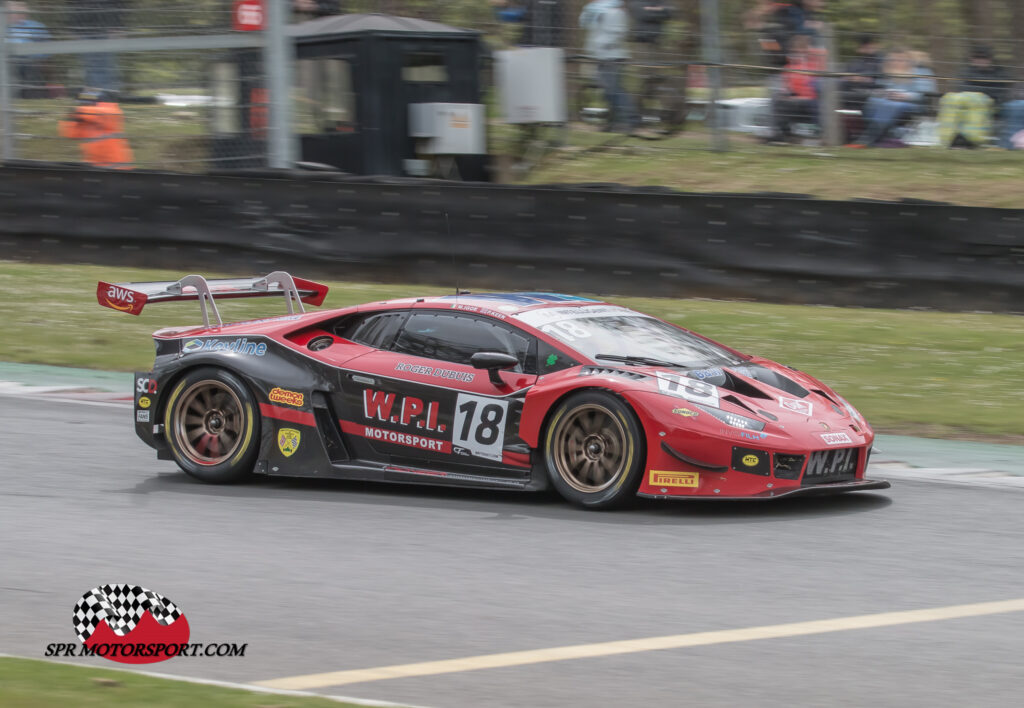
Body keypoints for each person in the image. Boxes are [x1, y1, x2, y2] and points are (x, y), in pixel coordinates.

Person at [850, 49, 935, 147]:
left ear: (909, 61)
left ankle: (868, 139)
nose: (895, 62)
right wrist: (883, 93)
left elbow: (925, 93)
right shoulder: (888, 73)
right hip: (887, 101)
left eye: (900, 60)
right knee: (873, 101)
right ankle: (883, 136)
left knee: (889, 106)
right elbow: (880, 87)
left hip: (913, 104)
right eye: (892, 60)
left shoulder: (921, 72)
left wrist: (905, 96)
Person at [579, 0, 637, 134]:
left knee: (614, 91)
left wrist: (603, 44)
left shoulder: (616, 12)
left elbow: (620, 32)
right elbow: (587, 27)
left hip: (613, 56)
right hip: (601, 56)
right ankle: (614, 122)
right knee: (608, 93)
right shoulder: (596, 11)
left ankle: (629, 121)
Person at [937, 45, 1011, 148]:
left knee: (976, 106)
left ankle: (972, 139)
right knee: (950, 100)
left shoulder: (999, 73)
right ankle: (949, 138)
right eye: (976, 58)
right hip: (965, 104)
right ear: (972, 59)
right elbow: (960, 87)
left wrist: (977, 93)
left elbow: (999, 92)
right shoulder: (966, 71)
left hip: (989, 105)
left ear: (990, 59)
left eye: (983, 58)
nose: (979, 61)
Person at [58, 90, 134, 169]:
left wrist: (80, 111)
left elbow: (104, 114)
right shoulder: (86, 119)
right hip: (93, 165)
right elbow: (71, 134)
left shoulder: (112, 112)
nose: (81, 105)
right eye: (81, 104)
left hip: (116, 168)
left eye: (85, 104)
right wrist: (70, 119)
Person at [769, 31, 823, 142]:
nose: (797, 52)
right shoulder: (789, 67)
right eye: (795, 49)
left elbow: (816, 84)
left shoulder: (814, 64)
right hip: (794, 99)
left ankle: (820, 135)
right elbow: (785, 87)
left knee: (786, 103)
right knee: (777, 100)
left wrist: (803, 97)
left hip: (810, 100)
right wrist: (786, 94)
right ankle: (781, 133)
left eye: (800, 48)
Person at [4, 1, 51, 99]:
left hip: (30, 61)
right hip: (7, 62)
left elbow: (46, 50)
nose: (21, 16)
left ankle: (35, 100)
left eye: (23, 13)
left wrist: (31, 55)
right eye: (17, 13)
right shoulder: (3, 28)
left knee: (31, 69)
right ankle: (11, 100)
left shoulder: (36, 27)